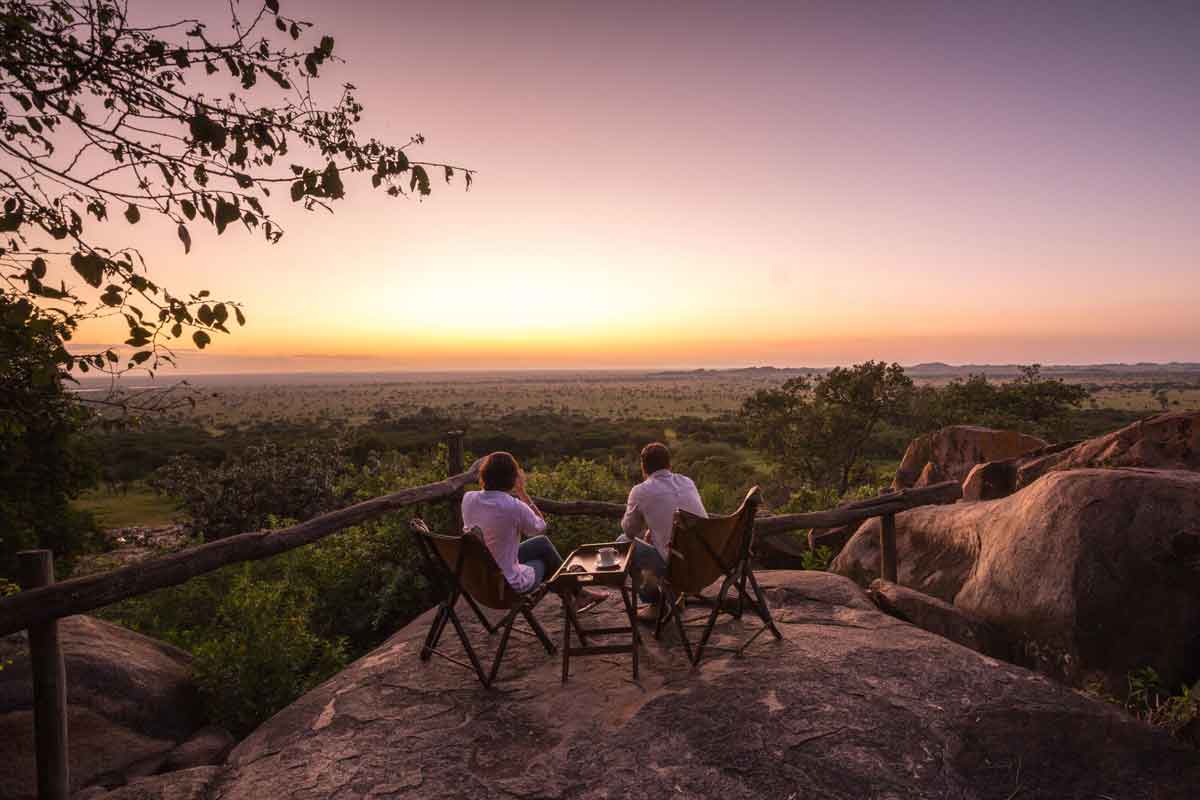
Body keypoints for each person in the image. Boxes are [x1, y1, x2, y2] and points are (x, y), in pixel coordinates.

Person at [462, 451, 604, 605]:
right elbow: (541, 527)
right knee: (546, 561)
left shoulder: (468, 498)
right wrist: (522, 493)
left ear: (485, 474)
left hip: (480, 576)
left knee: (541, 543)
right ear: (512, 477)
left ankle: (577, 594)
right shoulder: (513, 506)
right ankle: (578, 594)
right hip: (503, 586)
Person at [619, 442, 707, 619]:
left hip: (677, 569)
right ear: (669, 464)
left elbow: (629, 530)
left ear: (644, 468)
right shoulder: (687, 481)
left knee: (622, 542)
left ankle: (655, 603)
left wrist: (650, 529)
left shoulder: (641, 491)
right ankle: (675, 596)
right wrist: (656, 531)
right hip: (705, 562)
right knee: (658, 543)